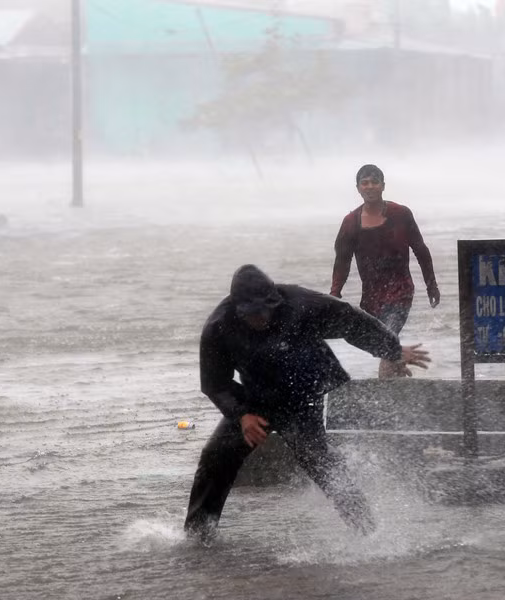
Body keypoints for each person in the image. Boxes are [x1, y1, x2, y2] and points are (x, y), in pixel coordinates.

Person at [184, 264, 430, 542]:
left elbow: (352, 321)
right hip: (254, 400)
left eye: (266, 310)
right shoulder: (218, 327)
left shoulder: (301, 304)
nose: (261, 318)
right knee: (216, 457)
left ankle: (368, 532)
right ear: (238, 309)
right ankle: (197, 536)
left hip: (301, 395)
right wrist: (241, 415)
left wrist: (392, 349)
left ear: (274, 301)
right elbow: (215, 383)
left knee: (320, 463)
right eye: (253, 314)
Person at [331, 164, 440, 378]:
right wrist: (335, 293)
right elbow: (342, 261)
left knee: (388, 337)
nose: (370, 186)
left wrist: (431, 284)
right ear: (358, 188)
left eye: (374, 182)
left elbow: (420, 250)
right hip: (371, 297)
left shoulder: (401, 214)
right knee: (384, 343)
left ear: (383, 186)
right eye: (365, 183)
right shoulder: (350, 223)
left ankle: (385, 395)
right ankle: (397, 379)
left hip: (400, 291)